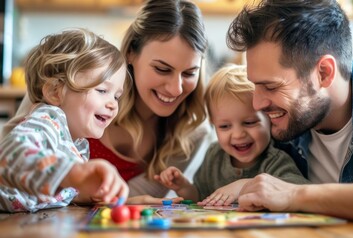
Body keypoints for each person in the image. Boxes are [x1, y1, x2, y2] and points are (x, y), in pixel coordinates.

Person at [226, 0, 353, 224]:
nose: (257, 103)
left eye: (271, 87)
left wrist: (294, 194)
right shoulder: (284, 122)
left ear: (324, 73)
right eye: (255, 85)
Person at [1, 0, 213, 201]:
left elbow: (85, 197)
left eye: (189, 73)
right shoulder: (71, 85)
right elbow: (9, 156)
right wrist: (73, 174)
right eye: (162, 69)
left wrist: (117, 200)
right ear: (131, 53)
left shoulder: (192, 133)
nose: (176, 88)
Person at [0, 28, 129, 212]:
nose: (112, 104)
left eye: (116, 96)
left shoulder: (77, 143)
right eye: (102, 91)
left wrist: (95, 194)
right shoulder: (48, 119)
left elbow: (58, 190)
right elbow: (9, 155)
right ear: (55, 92)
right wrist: (73, 173)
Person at [154, 64, 309, 205]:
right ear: (213, 125)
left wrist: (246, 185)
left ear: (269, 120)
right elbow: (201, 197)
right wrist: (183, 187)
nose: (238, 134)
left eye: (249, 122)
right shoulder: (214, 156)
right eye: (224, 126)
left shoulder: (275, 160)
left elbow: (303, 191)